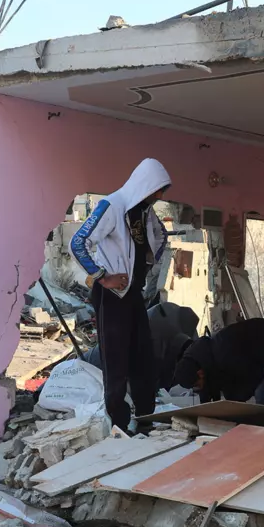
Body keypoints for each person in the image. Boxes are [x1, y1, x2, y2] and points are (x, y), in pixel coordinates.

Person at [70, 159, 171, 431]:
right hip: (112, 297)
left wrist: (148, 265)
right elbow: (78, 242)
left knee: (142, 358)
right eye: (159, 189)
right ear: (146, 185)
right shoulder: (112, 206)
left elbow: (161, 238)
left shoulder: (145, 211)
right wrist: (103, 277)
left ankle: (145, 420)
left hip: (133, 293)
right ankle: (120, 425)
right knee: (115, 362)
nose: (161, 196)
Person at [173, 318, 264, 406]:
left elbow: (255, 375)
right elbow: (209, 386)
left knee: (263, 391)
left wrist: (235, 402)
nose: (199, 388)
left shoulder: (225, 355)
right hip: (257, 349)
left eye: (197, 384)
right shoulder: (195, 359)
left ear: (200, 373)